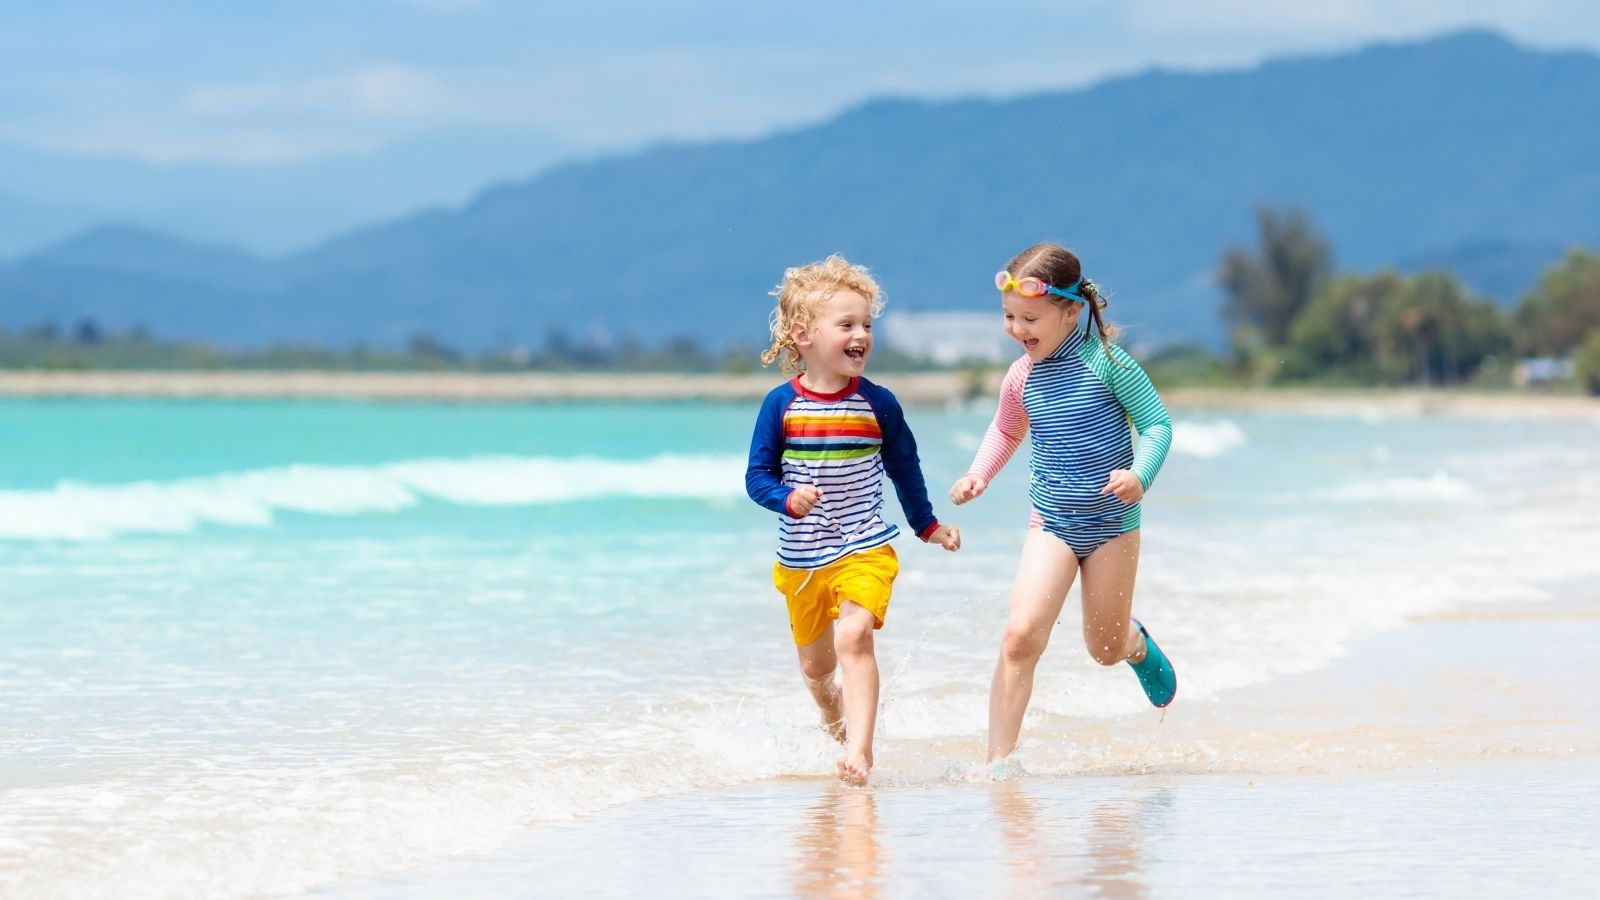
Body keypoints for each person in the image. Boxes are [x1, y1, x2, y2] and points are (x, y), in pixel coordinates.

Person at [948, 242, 1177, 768]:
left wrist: (1139, 477)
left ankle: (1135, 642)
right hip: (1050, 522)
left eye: (1030, 317)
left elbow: (1157, 425)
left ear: (1072, 311)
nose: (1017, 329)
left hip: (1112, 527)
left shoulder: (1110, 364)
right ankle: (998, 765)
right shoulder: (1020, 376)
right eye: (1009, 317)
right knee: (1021, 635)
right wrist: (978, 473)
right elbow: (1007, 428)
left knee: (1103, 648)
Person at [746, 254, 961, 786]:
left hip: (866, 545)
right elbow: (757, 477)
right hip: (801, 559)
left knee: (855, 637)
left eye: (866, 325)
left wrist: (927, 525)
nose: (861, 335)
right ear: (804, 335)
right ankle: (832, 718)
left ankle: (861, 752)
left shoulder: (878, 403)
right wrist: (786, 497)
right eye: (846, 325)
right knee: (818, 673)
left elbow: (904, 468)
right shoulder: (781, 406)